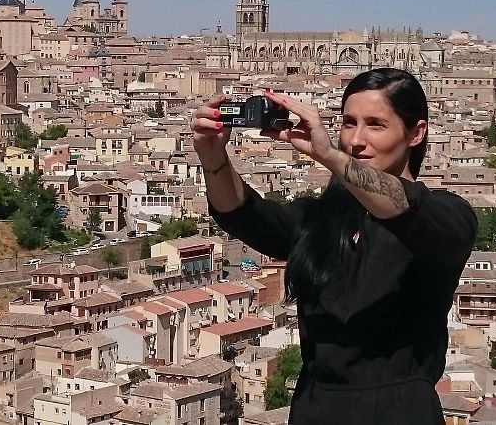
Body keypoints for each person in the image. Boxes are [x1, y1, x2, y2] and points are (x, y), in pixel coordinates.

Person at [190, 68, 477, 424]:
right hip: (317, 410)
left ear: (415, 133)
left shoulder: (446, 217)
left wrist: (328, 156)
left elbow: (403, 207)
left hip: (399, 412)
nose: (356, 140)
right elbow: (243, 214)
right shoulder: (320, 219)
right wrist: (213, 156)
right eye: (348, 123)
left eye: (375, 124)